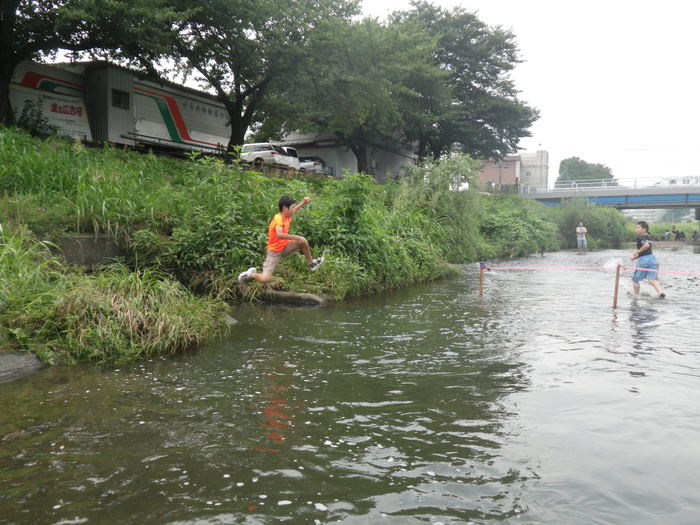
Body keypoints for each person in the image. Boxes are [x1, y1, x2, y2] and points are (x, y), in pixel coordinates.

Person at [238, 196, 324, 284]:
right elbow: (279, 234)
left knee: (302, 240)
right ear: (285, 208)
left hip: (285, 247)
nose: (294, 210)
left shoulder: (287, 216)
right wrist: (296, 237)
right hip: (274, 252)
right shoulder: (278, 218)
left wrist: (303, 202)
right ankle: (251, 274)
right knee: (265, 279)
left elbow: (295, 209)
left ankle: (311, 264)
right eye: (292, 208)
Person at [631, 220, 665, 298]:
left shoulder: (641, 236)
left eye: (637, 228)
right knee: (651, 279)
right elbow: (647, 250)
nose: (636, 229)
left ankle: (636, 295)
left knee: (635, 279)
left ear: (644, 229)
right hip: (652, 259)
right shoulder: (649, 236)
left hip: (643, 260)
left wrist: (636, 252)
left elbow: (646, 246)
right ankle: (660, 292)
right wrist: (636, 257)